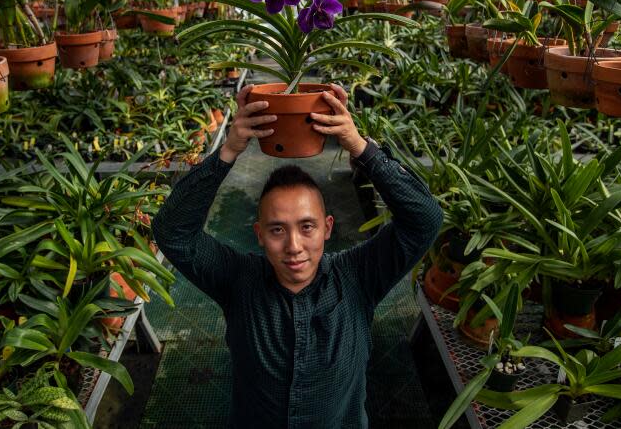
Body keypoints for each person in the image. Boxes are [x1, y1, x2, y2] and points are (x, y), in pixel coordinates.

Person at [151, 83, 443, 428]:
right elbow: (172, 232)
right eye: (277, 229)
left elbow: (424, 219)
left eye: (307, 227)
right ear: (258, 234)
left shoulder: (357, 277)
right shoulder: (238, 281)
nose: (294, 246)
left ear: (327, 228)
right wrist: (228, 150)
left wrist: (361, 148)